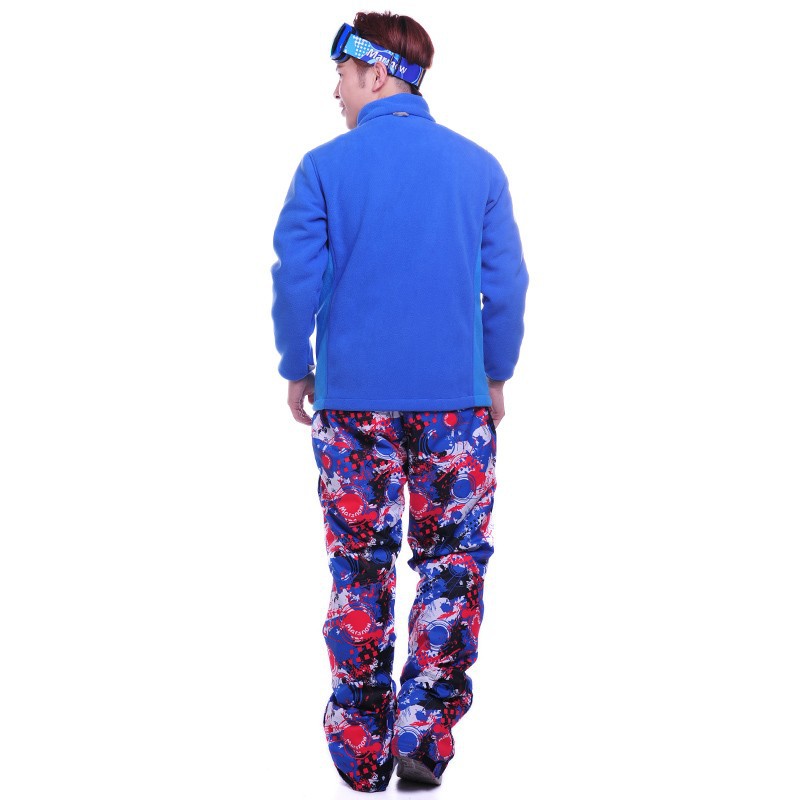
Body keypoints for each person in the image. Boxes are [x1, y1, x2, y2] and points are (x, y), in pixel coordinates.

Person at [270, 11, 528, 792]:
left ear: (376, 72)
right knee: (452, 565)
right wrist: (495, 373)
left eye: (342, 77)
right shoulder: (479, 169)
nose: (336, 93)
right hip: (456, 411)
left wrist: (297, 365)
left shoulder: (323, 168)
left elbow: (295, 280)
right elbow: (507, 287)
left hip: (353, 410)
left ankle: (360, 752)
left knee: (360, 568)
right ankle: (422, 733)